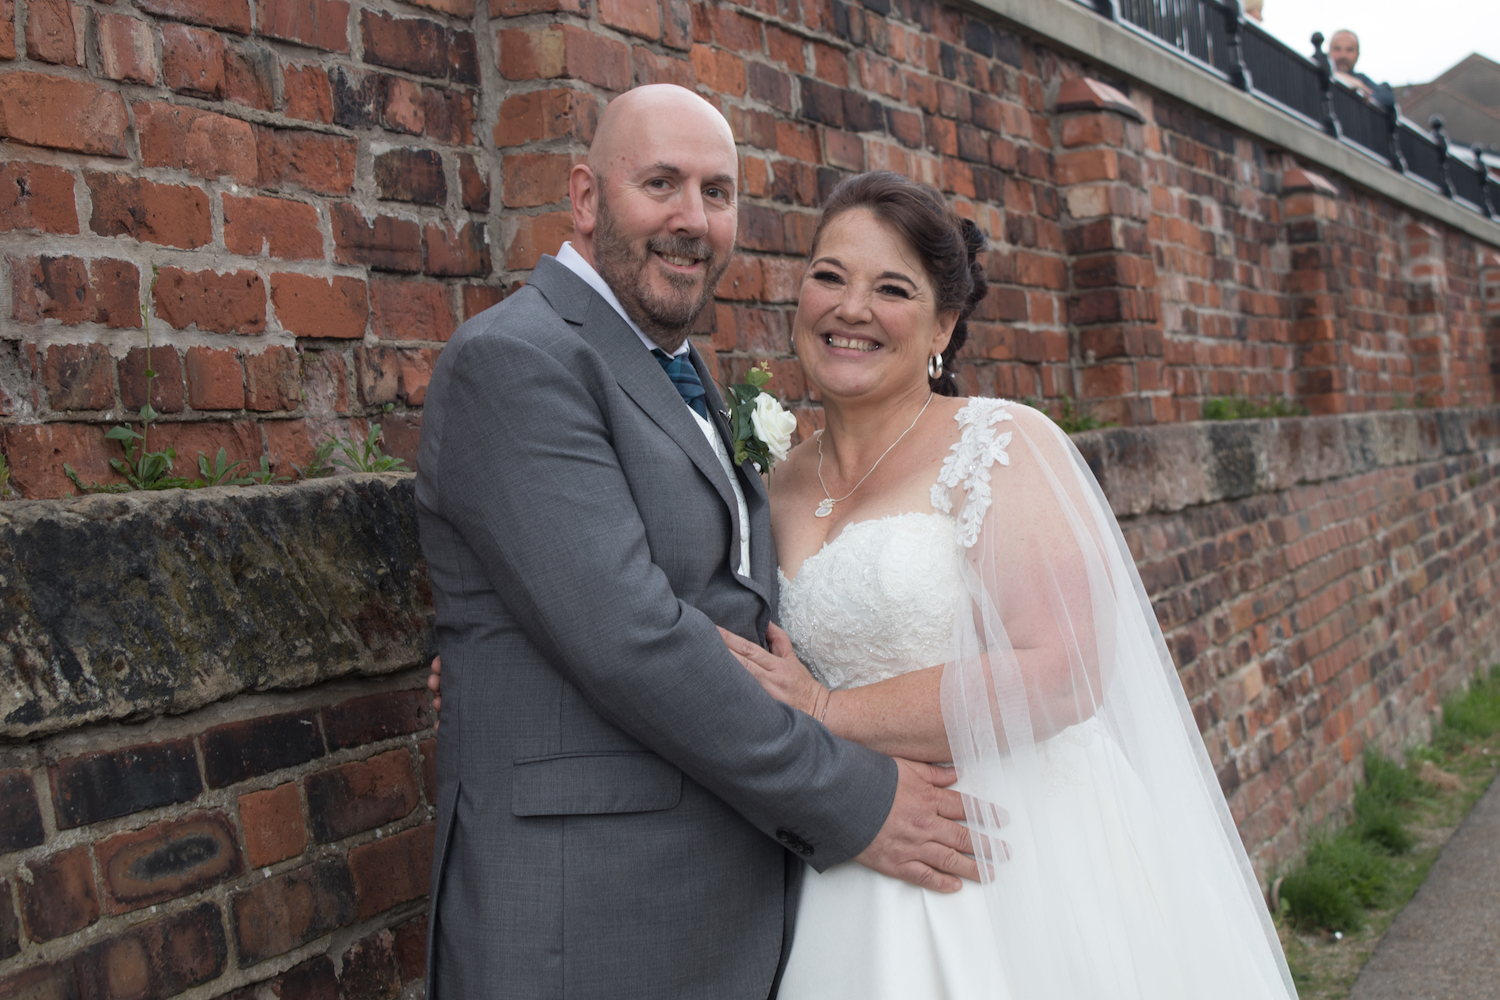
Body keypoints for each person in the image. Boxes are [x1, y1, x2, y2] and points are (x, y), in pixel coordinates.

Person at [430, 170, 1300, 998]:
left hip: (1001, 851)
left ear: (944, 326)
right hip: (838, 860)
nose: (852, 309)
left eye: (892, 290)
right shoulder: (763, 484)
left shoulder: (1002, 444)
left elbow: (1065, 670)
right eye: (829, 277)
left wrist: (826, 713)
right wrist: (509, 665)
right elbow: (659, 622)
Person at [414, 86, 977, 1000]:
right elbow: (631, 638)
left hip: (719, 898)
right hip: (585, 914)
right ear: (587, 198)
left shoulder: (682, 370)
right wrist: (854, 798)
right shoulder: (515, 360)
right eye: (662, 184)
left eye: (717, 193)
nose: (692, 219)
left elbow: (726, 598)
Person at [1328, 29, 1396, 109]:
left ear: (1357, 55)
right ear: (1329, 52)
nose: (1343, 55)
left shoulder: (1362, 80)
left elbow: (1388, 98)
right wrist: (1350, 82)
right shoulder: (1317, 74)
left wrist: (1363, 92)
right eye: (1337, 49)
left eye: (1349, 50)